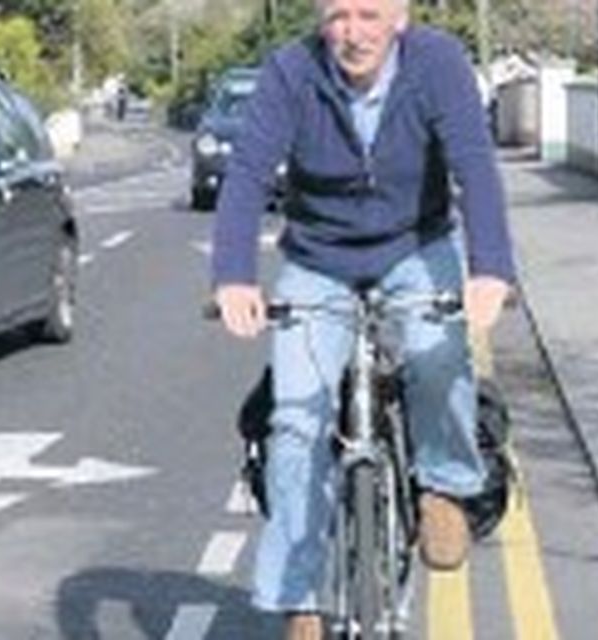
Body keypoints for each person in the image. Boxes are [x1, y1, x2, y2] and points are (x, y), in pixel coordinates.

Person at [209, 0, 516, 637]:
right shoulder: (290, 72)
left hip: (416, 244)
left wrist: (491, 268)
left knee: (439, 356)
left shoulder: (438, 63)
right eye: (338, 16)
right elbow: (245, 174)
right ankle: (300, 594)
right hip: (318, 258)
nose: (353, 33)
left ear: (400, 16)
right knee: (294, 421)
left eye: (369, 15)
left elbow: (474, 165)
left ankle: (444, 488)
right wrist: (234, 276)